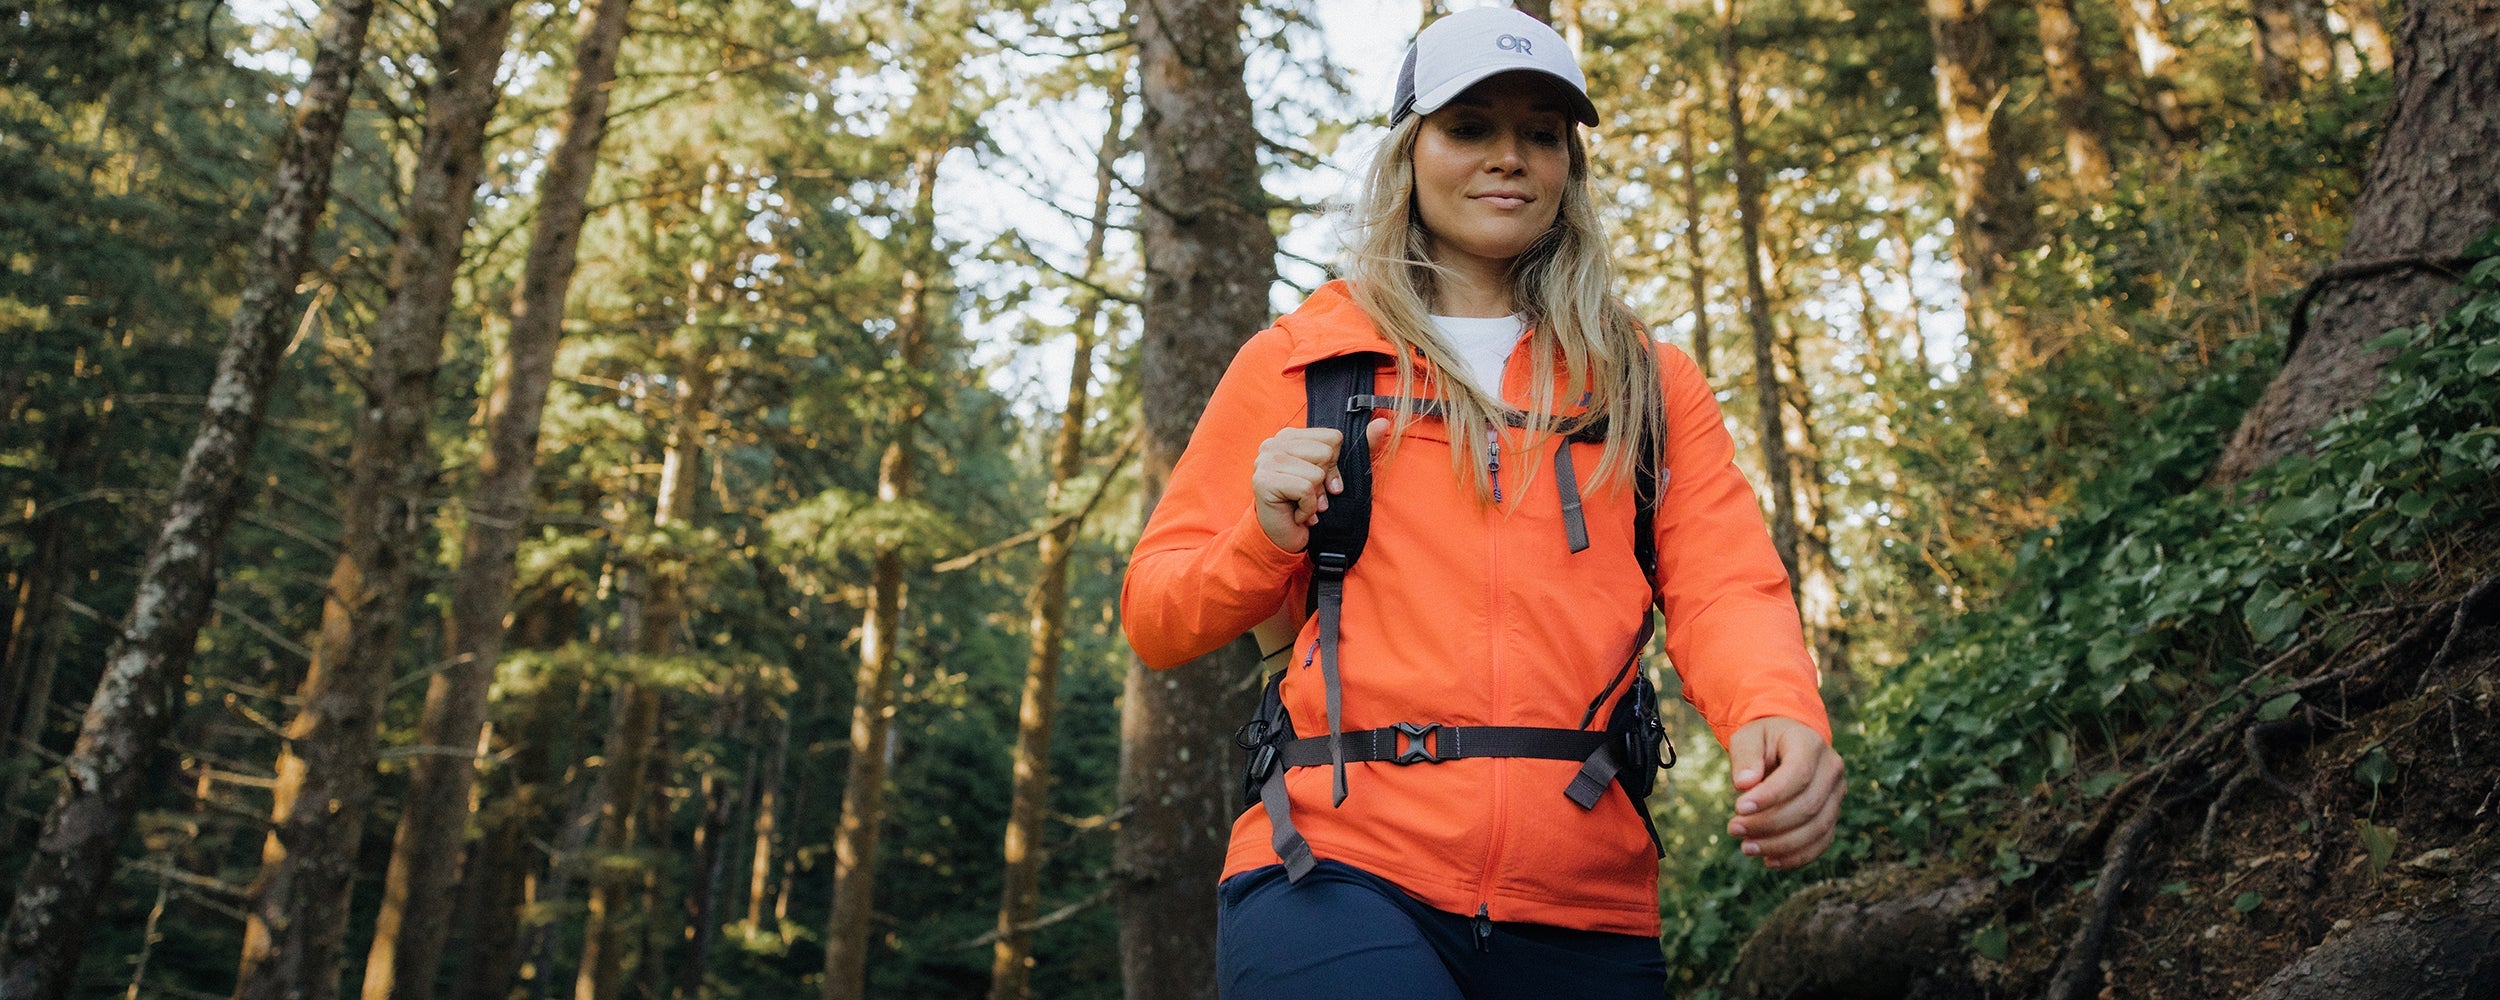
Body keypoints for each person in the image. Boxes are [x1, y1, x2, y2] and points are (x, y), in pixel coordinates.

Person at [1119, 8, 1843, 997]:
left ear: (1568, 167)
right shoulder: (1301, 360)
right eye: (1469, 128)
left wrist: (1778, 712)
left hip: (1588, 902)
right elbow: (1155, 613)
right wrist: (1260, 537)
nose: (1509, 157)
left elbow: (1726, 587)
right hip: (1332, 867)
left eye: (1540, 134)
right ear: (1408, 154)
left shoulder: (1646, 381)